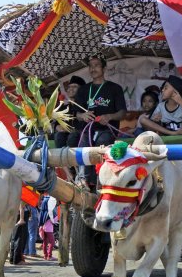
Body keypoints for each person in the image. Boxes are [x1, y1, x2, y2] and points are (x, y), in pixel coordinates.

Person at [74, 54, 127, 189]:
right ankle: (82, 181)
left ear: (104, 68)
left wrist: (109, 116)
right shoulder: (84, 89)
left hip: (107, 129)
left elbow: (122, 113)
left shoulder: (115, 88)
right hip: (88, 129)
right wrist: (83, 115)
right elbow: (76, 113)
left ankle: (100, 181)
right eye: (91, 66)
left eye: (96, 65)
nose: (93, 69)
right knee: (83, 146)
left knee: (100, 145)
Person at [54, 75, 86, 148]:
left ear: (82, 89)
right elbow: (57, 124)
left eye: (75, 87)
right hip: (64, 137)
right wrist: (58, 127)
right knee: (59, 135)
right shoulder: (63, 107)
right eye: (69, 87)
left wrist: (70, 130)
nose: (71, 89)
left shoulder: (85, 106)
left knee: (73, 136)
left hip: (80, 138)